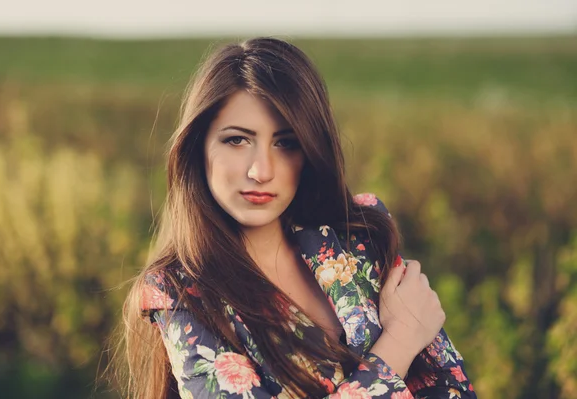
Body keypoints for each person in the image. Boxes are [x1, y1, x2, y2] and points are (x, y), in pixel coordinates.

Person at [118, 37, 477, 399]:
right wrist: (399, 343)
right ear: (199, 148)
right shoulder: (181, 294)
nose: (261, 171)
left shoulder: (358, 236)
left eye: (285, 143)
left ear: (310, 150)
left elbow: (450, 387)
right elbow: (412, 337)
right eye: (237, 141)